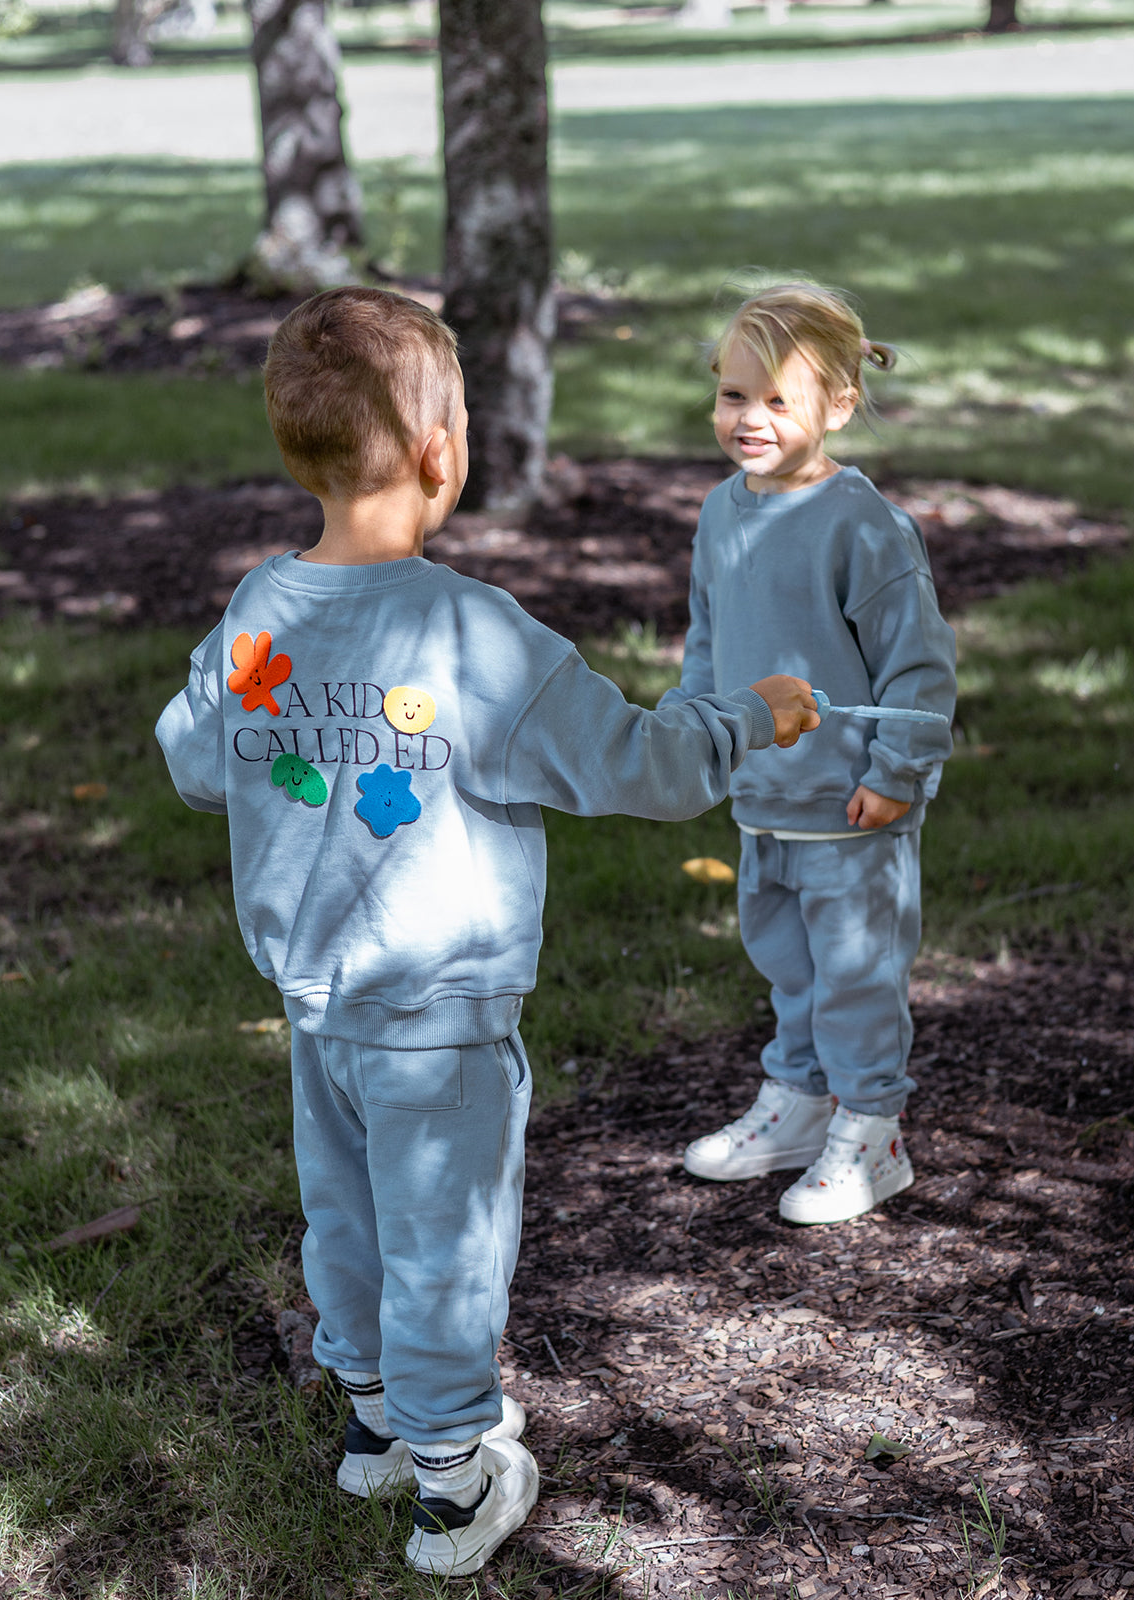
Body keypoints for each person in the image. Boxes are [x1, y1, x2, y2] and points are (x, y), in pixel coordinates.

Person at [155, 285, 818, 1576]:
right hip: (441, 1020)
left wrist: (278, 740)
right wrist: (751, 718)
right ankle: (457, 1475)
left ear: (301, 450)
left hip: (320, 1008)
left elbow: (191, 757)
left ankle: (378, 1426)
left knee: (343, 1214)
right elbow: (642, 764)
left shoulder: (257, 617)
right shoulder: (469, 635)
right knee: (444, 1239)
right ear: (444, 453)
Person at [662, 279, 956, 1226]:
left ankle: (873, 1132)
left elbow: (918, 665)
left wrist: (895, 776)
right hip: (765, 798)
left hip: (850, 807)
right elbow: (707, 641)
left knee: (856, 975)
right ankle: (798, 1103)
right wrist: (694, 737)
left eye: (777, 399)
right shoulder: (719, 513)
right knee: (787, 963)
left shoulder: (862, 526)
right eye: (733, 395)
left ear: (837, 405)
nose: (749, 418)